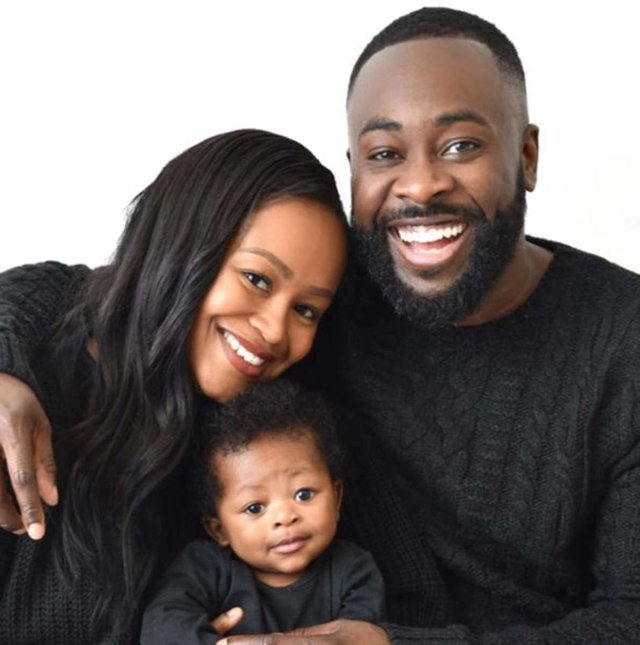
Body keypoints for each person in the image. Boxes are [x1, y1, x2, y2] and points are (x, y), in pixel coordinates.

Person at [3, 6, 640, 644]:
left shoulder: (620, 338)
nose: (419, 184)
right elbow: (97, 285)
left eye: (461, 145)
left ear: (526, 154)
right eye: (385, 153)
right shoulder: (340, 286)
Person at [0, 128, 347, 644]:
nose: (276, 331)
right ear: (187, 244)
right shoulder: (39, 371)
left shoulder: (272, 437)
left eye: (306, 310)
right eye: (257, 279)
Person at [140, 379, 385, 643]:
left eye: (304, 494)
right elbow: (162, 624)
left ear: (336, 498)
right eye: (255, 508)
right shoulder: (205, 567)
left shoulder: (354, 571)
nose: (285, 517)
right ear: (219, 529)